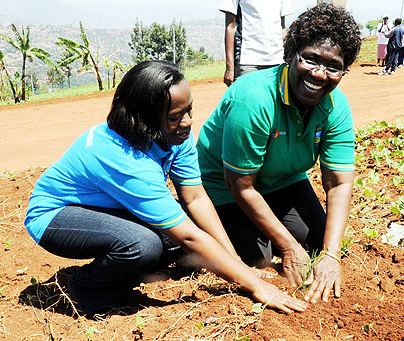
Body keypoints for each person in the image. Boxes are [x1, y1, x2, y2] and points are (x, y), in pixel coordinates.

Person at [24, 60, 308, 315]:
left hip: (105, 206)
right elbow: (190, 238)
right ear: (144, 118)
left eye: (189, 110)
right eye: (175, 117)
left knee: (175, 235)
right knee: (143, 245)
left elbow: (195, 198)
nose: (187, 122)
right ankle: (85, 290)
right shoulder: (121, 157)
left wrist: (235, 260)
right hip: (56, 216)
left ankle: (127, 269)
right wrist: (255, 285)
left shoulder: (175, 135)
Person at [197, 4, 361, 304]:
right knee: (260, 260)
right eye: (310, 59)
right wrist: (286, 246)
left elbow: (338, 183)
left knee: (317, 243)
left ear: (344, 69)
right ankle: (189, 244)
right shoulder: (254, 98)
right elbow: (240, 184)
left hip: (282, 180)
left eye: (333, 66)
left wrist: (331, 255)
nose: (319, 74)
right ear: (291, 55)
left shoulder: (336, 107)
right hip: (225, 187)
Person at [220, 0, 293, 86]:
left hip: (277, 60)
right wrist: (230, 67)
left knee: (275, 98)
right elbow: (230, 26)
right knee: (247, 97)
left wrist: (289, 56)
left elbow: (282, 27)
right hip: (248, 61)